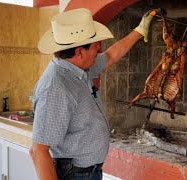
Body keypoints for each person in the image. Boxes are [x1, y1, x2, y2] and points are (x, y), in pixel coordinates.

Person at [30, 8, 159, 180]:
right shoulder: (56, 86)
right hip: (75, 176)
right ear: (79, 52)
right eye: (95, 46)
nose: (99, 49)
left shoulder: (79, 68)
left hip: (90, 173)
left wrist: (139, 30)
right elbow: (38, 151)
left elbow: (112, 55)